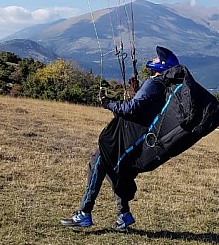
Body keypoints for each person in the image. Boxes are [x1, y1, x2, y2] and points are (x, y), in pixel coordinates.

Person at [60, 46, 180, 230]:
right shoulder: (163, 87)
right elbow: (140, 107)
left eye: (158, 59)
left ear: (162, 66)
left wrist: (108, 104)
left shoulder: (154, 84)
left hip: (125, 135)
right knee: (112, 169)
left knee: (97, 162)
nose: (154, 59)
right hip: (134, 135)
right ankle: (123, 214)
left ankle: (84, 213)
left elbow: (131, 108)